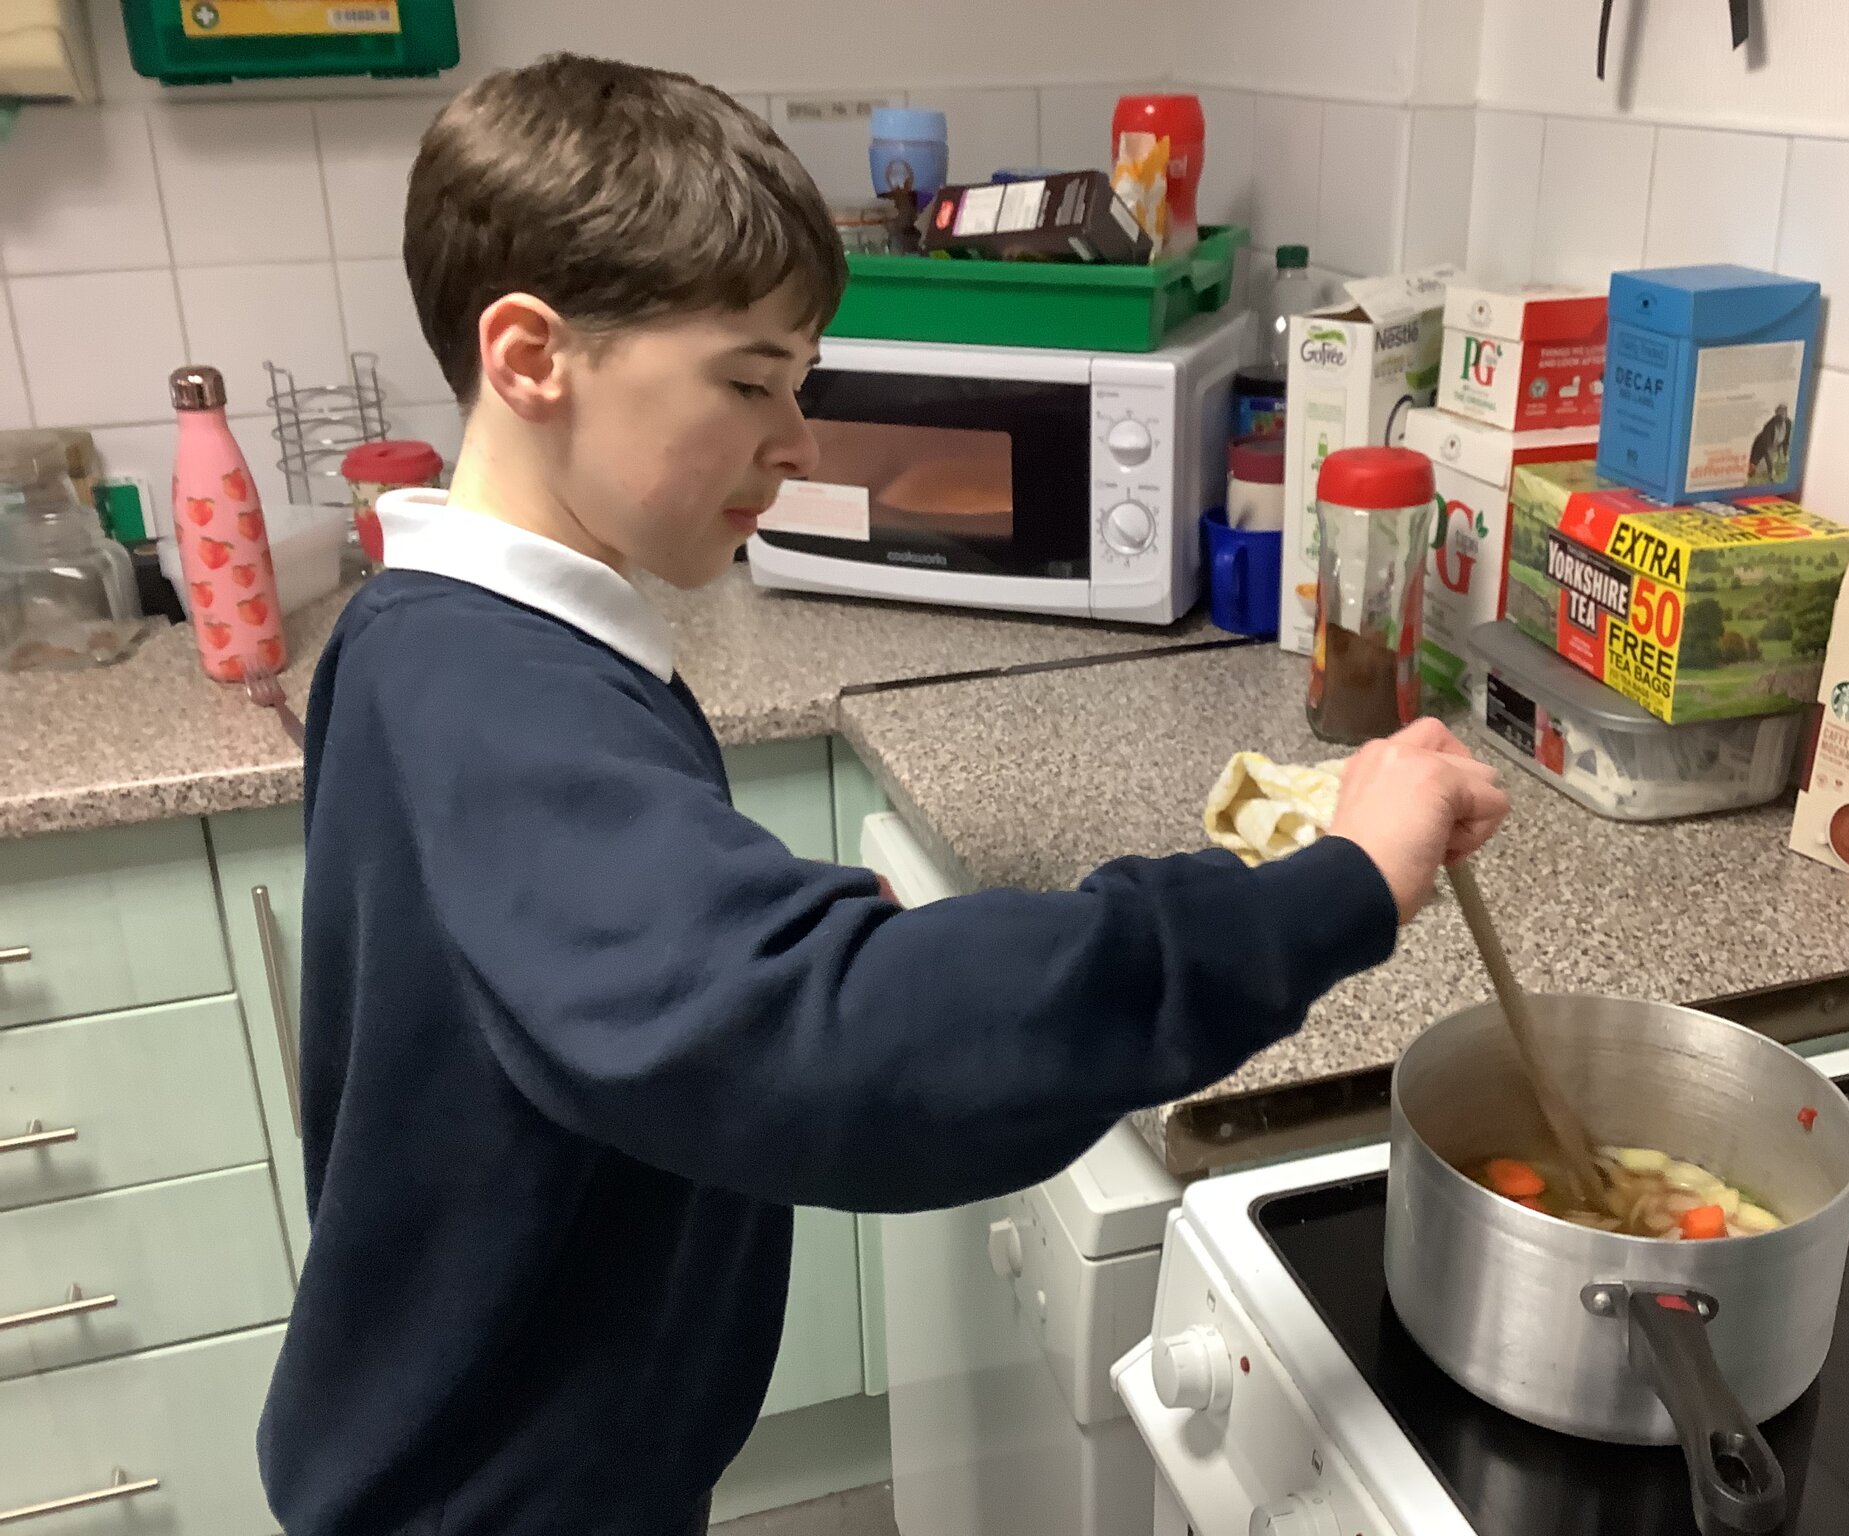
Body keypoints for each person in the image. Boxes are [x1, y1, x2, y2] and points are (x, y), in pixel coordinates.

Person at [255, 53, 1511, 1536]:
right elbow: (830, 1040)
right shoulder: (489, 699)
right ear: (533, 357)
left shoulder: (451, 634)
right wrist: (1337, 883)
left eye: (804, 384)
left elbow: (569, 976)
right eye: (749, 383)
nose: (797, 442)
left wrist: (798, 914)